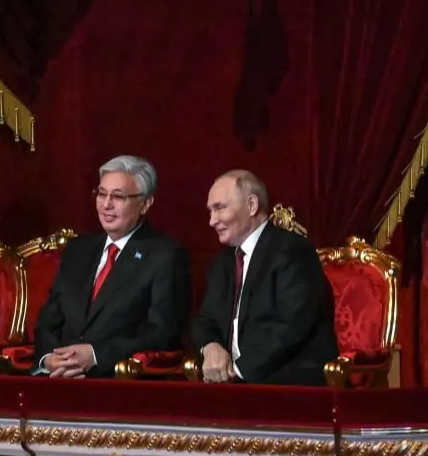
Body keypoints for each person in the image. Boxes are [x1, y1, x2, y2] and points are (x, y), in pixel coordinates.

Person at [31, 156, 191, 378]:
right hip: (59, 378)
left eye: (118, 196)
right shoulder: (78, 250)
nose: (106, 205)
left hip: (118, 382)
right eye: (101, 194)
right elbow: (48, 320)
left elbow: (162, 333)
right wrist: (48, 358)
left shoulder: (165, 256)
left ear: (145, 203)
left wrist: (96, 356)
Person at [193, 170, 338, 386]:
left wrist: (235, 370)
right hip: (233, 384)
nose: (212, 221)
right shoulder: (223, 262)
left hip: (287, 383)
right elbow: (205, 320)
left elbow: (292, 326)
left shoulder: (292, 251)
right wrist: (210, 346)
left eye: (220, 208)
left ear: (252, 205)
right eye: (210, 211)